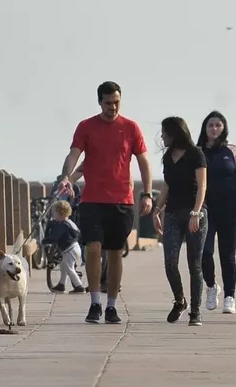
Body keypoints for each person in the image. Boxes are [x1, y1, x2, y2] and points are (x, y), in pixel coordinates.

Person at [56, 81, 154, 325]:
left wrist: (148, 193)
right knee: (93, 248)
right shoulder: (86, 126)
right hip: (93, 201)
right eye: (108, 102)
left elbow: (143, 162)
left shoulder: (130, 128)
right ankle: (94, 303)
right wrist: (66, 177)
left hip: (122, 201)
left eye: (117, 102)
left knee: (114, 253)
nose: (113, 107)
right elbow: (74, 154)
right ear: (100, 102)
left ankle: (111, 305)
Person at [197, 111, 236, 315]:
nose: (214, 129)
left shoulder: (233, 151)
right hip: (205, 210)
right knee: (204, 252)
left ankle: (230, 296)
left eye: (218, 125)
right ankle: (212, 286)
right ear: (204, 129)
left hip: (231, 209)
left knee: (227, 254)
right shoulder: (197, 152)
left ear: (223, 128)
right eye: (210, 125)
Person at [153, 117, 209, 326]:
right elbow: (167, 185)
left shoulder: (196, 154)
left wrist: (196, 212)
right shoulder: (168, 157)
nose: (162, 137)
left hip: (195, 213)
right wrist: (157, 210)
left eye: (164, 133)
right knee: (170, 262)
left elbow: (202, 185)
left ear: (174, 133)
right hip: (173, 214)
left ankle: (195, 312)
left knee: (194, 264)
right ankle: (180, 300)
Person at [44, 200, 85, 293]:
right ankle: (61, 285)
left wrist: (45, 240)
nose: (54, 215)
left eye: (55, 213)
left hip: (69, 250)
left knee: (69, 269)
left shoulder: (63, 225)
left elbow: (55, 237)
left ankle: (79, 287)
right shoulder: (69, 222)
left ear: (60, 213)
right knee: (63, 267)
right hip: (74, 248)